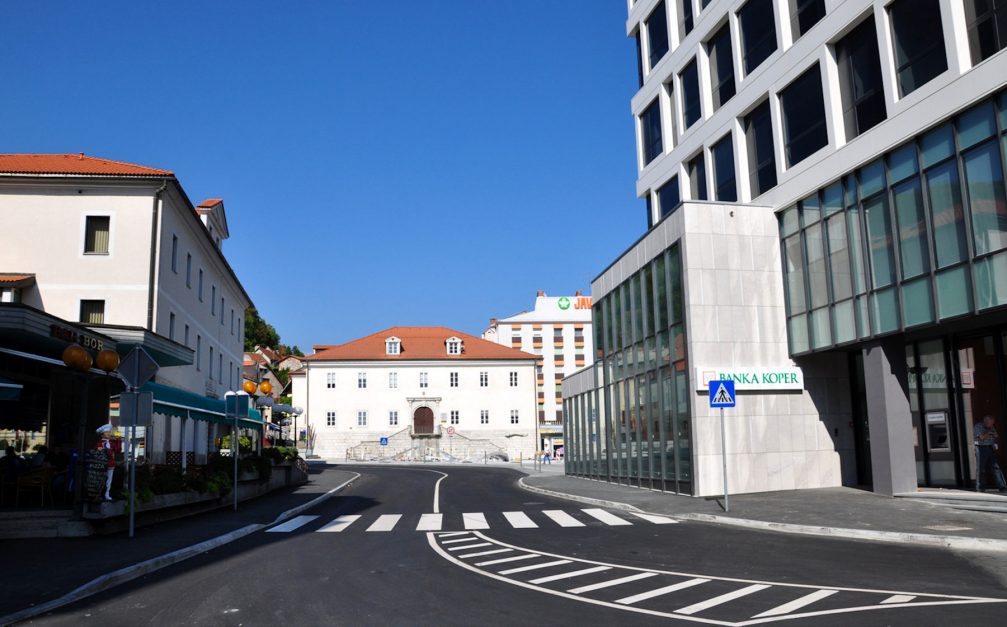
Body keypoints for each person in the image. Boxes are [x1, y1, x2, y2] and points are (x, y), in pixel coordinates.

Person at [974, 415, 1007, 493]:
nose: (992, 425)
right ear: (986, 422)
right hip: (981, 448)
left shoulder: (991, 427)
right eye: (991, 423)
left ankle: (1002, 486)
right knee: (981, 468)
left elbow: (995, 435)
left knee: (996, 467)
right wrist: (989, 433)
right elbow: (982, 437)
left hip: (990, 447)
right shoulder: (978, 426)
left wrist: (989, 434)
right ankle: (980, 487)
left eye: (993, 423)